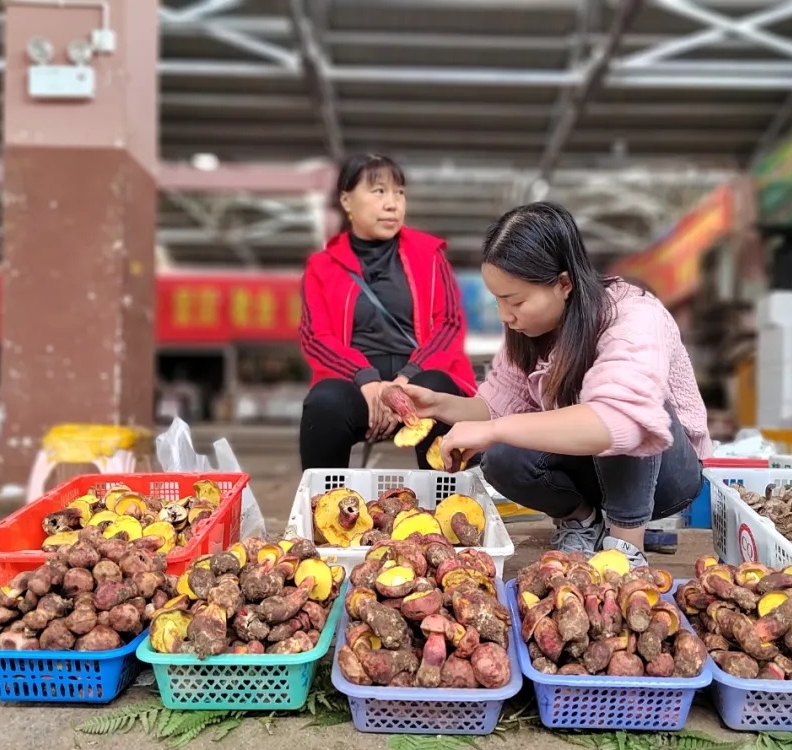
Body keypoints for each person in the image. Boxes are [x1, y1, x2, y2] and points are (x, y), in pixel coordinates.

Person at [398, 202, 711, 567]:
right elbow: (496, 406)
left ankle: (626, 544)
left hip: (663, 479)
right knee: (499, 456)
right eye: (498, 300)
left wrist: (494, 429)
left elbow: (619, 422)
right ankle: (583, 521)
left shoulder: (633, 315)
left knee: (626, 408)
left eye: (514, 300)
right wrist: (436, 405)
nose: (504, 315)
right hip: (591, 467)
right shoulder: (529, 331)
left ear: (563, 283)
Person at [298, 153, 477, 470]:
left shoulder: (430, 256)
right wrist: (366, 380)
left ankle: (447, 504)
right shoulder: (321, 267)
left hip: (419, 385)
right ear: (346, 201)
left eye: (400, 193)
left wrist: (406, 380)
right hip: (356, 388)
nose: (393, 203)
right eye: (379, 191)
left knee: (440, 387)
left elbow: (449, 325)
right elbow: (315, 337)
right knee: (325, 403)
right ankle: (325, 507)